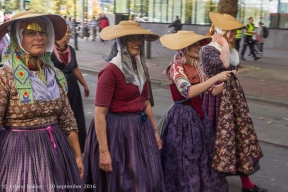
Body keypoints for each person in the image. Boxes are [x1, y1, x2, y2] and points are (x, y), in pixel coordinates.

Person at [0, 11, 84, 190]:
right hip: (20, 158)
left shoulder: (55, 75)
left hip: (57, 155)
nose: (39, 37)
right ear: (17, 37)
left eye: (43, 32)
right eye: (31, 32)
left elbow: (67, 120)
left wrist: (77, 156)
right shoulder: (5, 77)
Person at [83, 21, 165, 191]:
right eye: (131, 38)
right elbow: (99, 114)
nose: (137, 42)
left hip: (141, 131)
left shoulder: (141, 67)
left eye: (139, 38)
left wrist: (155, 132)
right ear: (121, 41)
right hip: (118, 133)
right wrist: (104, 152)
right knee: (124, 181)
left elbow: (146, 101)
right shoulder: (111, 71)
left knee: (148, 178)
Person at [201, 12, 267, 192]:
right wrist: (223, 44)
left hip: (234, 98)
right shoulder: (207, 49)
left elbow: (231, 67)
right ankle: (212, 181)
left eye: (235, 32)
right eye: (230, 32)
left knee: (239, 137)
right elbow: (224, 65)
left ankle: (247, 184)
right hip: (215, 98)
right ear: (220, 31)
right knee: (216, 140)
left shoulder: (231, 49)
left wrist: (225, 45)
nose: (233, 35)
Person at [159, 30, 233, 192]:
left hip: (199, 117)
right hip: (181, 119)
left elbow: (211, 90)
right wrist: (216, 77)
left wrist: (227, 83)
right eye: (193, 44)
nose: (198, 47)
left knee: (202, 155)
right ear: (184, 47)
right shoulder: (176, 67)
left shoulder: (195, 66)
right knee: (186, 157)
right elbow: (188, 91)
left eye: (198, 43)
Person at [51, 24, 90, 153]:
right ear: (58, 33)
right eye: (66, 32)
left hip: (73, 88)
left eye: (70, 33)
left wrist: (84, 84)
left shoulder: (71, 50)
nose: (69, 35)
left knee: (75, 115)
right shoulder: (49, 50)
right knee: (60, 117)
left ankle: (76, 147)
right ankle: (60, 146)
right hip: (57, 89)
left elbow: (75, 69)